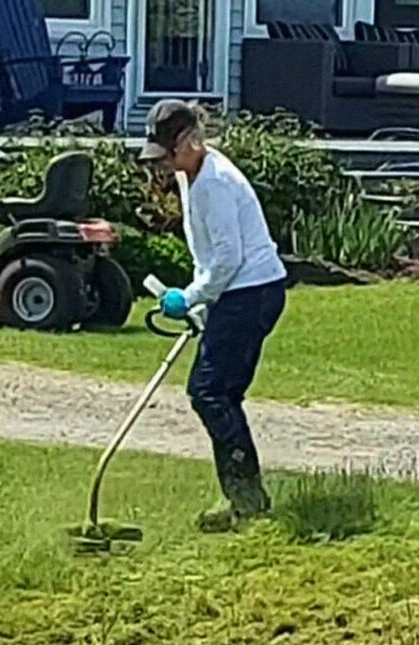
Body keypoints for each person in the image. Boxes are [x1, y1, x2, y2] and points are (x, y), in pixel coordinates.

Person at [139, 99, 287, 533]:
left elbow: (227, 257)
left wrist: (190, 297)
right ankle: (246, 501)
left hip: (253, 292)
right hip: (238, 293)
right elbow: (211, 258)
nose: (164, 164)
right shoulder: (193, 175)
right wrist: (203, 303)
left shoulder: (215, 182)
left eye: (169, 153)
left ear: (190, 141)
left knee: (210, 393)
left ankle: (248, 504)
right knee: (217, 394)